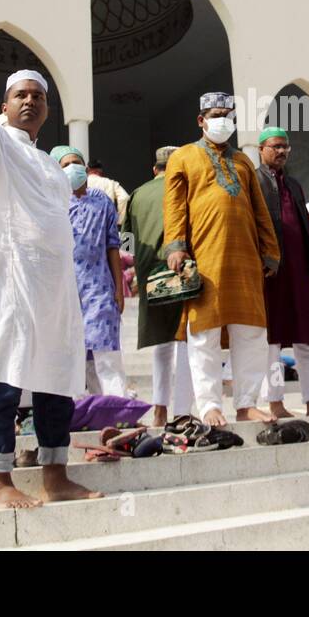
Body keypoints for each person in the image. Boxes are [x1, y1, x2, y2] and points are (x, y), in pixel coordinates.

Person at [0, 34, 96, 508]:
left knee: (56, 376)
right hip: (7, 277)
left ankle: (56, 475)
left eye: (38, 96)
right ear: (4, 106)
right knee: (3, 375)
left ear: (47, 108)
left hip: (55, 287)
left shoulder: (51, 167)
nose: (30, 101)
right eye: (20, 95)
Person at [163, 92, 282, 427]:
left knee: (251, 333)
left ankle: (246, 404)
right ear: (201, 120)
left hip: (245, 260)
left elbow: (260, 209)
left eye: (229, 114)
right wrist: (175, 247)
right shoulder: (183, 157)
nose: (224, 120)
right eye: (217, 114)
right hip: (205, 258)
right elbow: (174, 207)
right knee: (205, 334)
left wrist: (270, 251)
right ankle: (210, 406)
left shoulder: (243, 162)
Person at [258, 127, 309, 418]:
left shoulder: (294, 184)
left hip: (300, 271)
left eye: (285, 147)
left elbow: (304, 224)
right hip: (270, 274)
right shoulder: (253, 181)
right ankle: (275, 402)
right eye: (275, 147)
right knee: (272, 343)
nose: (281, 152)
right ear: (261, 150)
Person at [125, 146, 192, 426]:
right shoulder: (186, 188)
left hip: (150, 272)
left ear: (155, 169)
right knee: (188, 342)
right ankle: (183, 411)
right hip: (183, 269)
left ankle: (160, 409)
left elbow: (127, 239)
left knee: (162, 345)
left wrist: (136, 273)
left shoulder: (137, 194)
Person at [54, 146, 127, 397]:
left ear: (86, 169)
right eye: (65, 165)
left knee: (106, 353)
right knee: (77, 358)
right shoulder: (53, 204)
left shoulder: (103, 201)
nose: (72, 168)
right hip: (66, 292)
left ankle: (117, 408)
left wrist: (119, 288)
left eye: (76, 163)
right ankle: (90, 411)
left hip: (100, 289)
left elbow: (113, 246)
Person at [85, 159, 131, 226]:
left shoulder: (82, 183)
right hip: (106, 223)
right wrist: (120, 220)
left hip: (86, 223)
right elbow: (124, 198)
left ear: (88, 169)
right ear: (100, 170)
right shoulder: (110, 183)